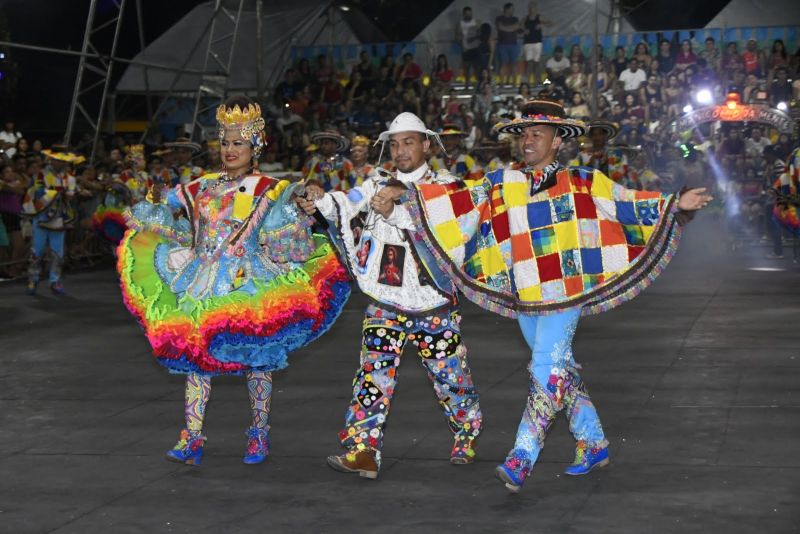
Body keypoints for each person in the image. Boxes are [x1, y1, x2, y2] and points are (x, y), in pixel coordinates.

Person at [399, 99, 712, 493]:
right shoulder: (502, 183)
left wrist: (672, 203)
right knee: (559, 367)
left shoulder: (583, 181)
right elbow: (457, 198)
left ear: (558, 141)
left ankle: (521, 455)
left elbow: (625, 202)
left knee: (546, 366)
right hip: (526, 294)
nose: (527, 141)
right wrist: (407, 193)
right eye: (523, 134)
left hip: (567, 291)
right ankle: (594, 442)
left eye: (537, 134)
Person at [117, 96, 350, 466]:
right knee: (197, 359)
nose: (230, 149)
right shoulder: (201, 186)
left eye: (238, 142)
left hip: (248, 282)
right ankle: (192, 437)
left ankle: (259, 434)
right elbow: (167, 209)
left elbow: (296, 195)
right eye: (225, 141)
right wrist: (152, 205)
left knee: (258, 359)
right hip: (201, 279)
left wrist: (310, 192)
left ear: (255, 146)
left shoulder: (270, 187)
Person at [296, 112, 483, 480]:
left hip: (432, 301)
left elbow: (445, 230)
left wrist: (397, 210)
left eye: (409, 142)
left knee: (450, 377)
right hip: (385, 298)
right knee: (372, 376)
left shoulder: (448, 187)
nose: (400, 151)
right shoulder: (376, 181)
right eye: (395, 144)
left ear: (426, 144)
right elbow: (345, 202)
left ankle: (466, 431)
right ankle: (363, 449)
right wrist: (318, 200)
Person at [21, 146, 82, 295]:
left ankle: (55, 281)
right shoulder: (41, 175)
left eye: (63, 160)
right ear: (52, 159)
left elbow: (71, 194)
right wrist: (59, 191)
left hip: (59, 219)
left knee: (57, 253)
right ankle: (33, 279)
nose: (60, 163)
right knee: (37, 251)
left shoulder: (70, 178)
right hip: (41, 218)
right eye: (57, 160)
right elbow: (38, 193)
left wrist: (70, 193)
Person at [522, 2, 549, 84]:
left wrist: (542, 24)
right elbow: (519, 26)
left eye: (533, 7)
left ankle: (538, 81)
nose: (531, 9)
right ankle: (527, 82)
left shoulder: (539, 17)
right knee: (529, 63)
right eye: (530, 7)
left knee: (537, 62)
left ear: (536, 8)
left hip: (537, 42)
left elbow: (550, 22)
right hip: (528, 43)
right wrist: (524, 30)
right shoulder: (525, 18)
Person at [495, 2, 521, 86]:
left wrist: (505, 28)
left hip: (513, 44)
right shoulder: (499, 18)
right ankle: (502, 83)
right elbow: (500, 27)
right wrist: (511, 28)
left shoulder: (515, 19)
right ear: (507, 9)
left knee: (514, 64)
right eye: (511, 9)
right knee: (503, 64)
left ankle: (513, 83)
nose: (513, 11)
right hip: (502, 44)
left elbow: (516, 27)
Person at [456, 6, 481, 88]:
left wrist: (474, 38)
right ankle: (467, 84)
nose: (468, 15)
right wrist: (461, 45)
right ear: (464, 14)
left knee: (476, 67)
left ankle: (478, 84)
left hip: (475, 48)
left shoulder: (476, 22)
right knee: (466, 68)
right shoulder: (460, 24)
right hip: (465, 48)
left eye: (470, 13)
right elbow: (457, 36)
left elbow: (480, 34)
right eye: (467, 14)